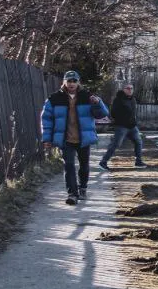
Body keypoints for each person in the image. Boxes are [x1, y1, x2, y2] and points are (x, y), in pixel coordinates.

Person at [40, 71, 109, 205]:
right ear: (64, 82)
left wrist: (98, 103)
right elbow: (46, 120)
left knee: (84, 165)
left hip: (83, 138)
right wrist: (47, 139)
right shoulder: (54, 99)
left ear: (78, 83)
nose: (71, 84)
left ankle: (82, 188)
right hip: (66, 139)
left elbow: (102, 114)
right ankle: (72, 194)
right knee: (69, 165)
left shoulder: (88, 97)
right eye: (69, 81)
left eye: (74, 81)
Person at [98, 82, 146, 171]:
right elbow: (113, 113)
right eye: (128, 88)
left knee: (138, 142)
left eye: (131, 88)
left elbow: (133, 113)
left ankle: (138, 162)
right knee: (116, 144)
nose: (130, 90)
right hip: (122, 126)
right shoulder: (118, 99)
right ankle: (103, 162)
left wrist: (134, 121)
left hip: (132, 126)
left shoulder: (133, 99)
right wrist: (122, 119)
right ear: (124, 89)